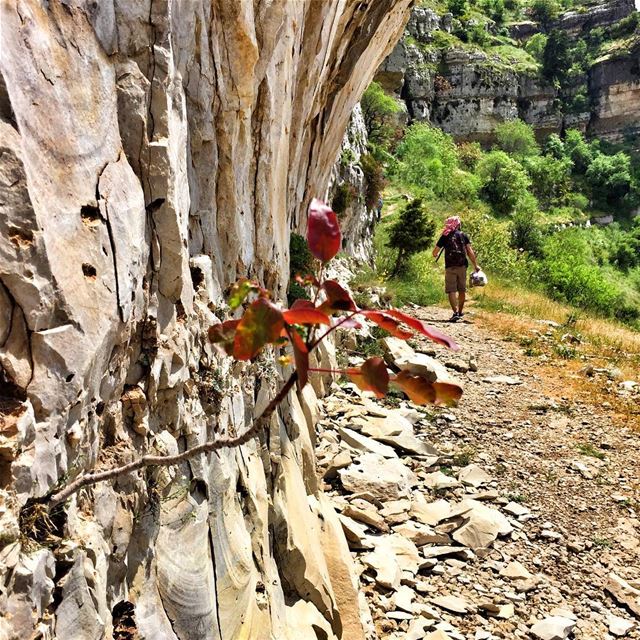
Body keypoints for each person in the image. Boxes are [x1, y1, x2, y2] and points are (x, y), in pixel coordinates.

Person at [432, 216, 480, 322]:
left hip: (450, 266)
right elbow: (470, 252)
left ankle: (455, 312)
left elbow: (435, 252)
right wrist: (475, 265)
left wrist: (436, 255)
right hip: (462, 266)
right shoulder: (463, 235)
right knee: (462, 289)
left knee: (451, 290)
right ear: (458, 224)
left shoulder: (445, 235)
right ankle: (460, 311)